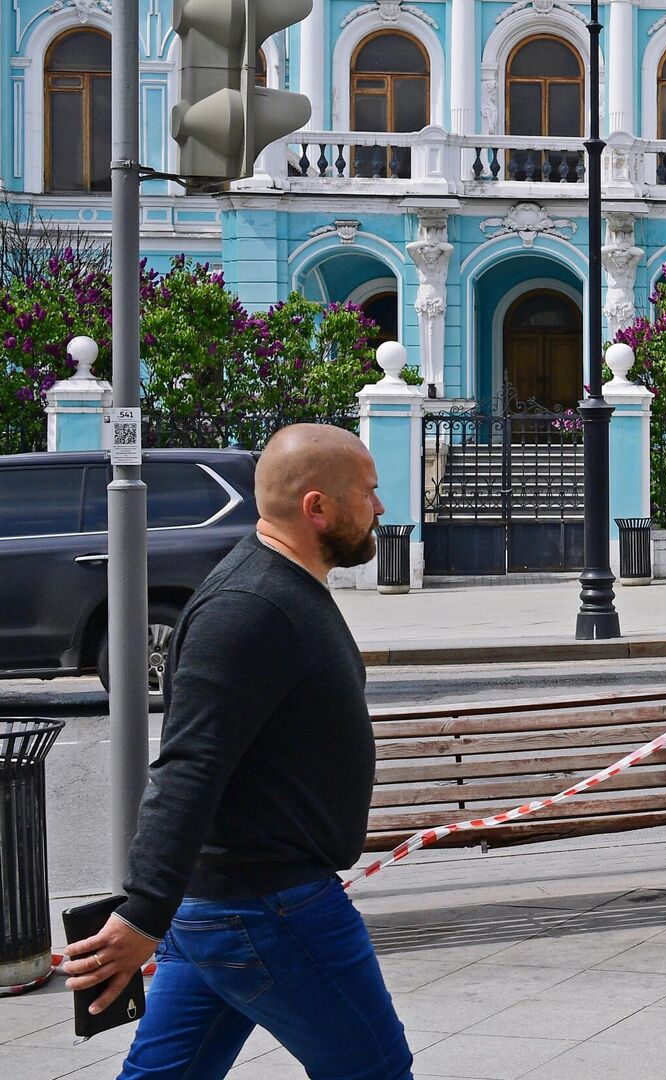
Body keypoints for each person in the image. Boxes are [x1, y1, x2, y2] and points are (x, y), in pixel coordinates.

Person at [62, 424, 413, 1080]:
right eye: (368, 493)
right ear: (317, 508)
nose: (380, 507)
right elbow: (191, 765)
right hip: (268, 906)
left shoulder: (281, 588)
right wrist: (142, 910)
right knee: (376, 1070)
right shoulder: (249, 607)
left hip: (229, 905)